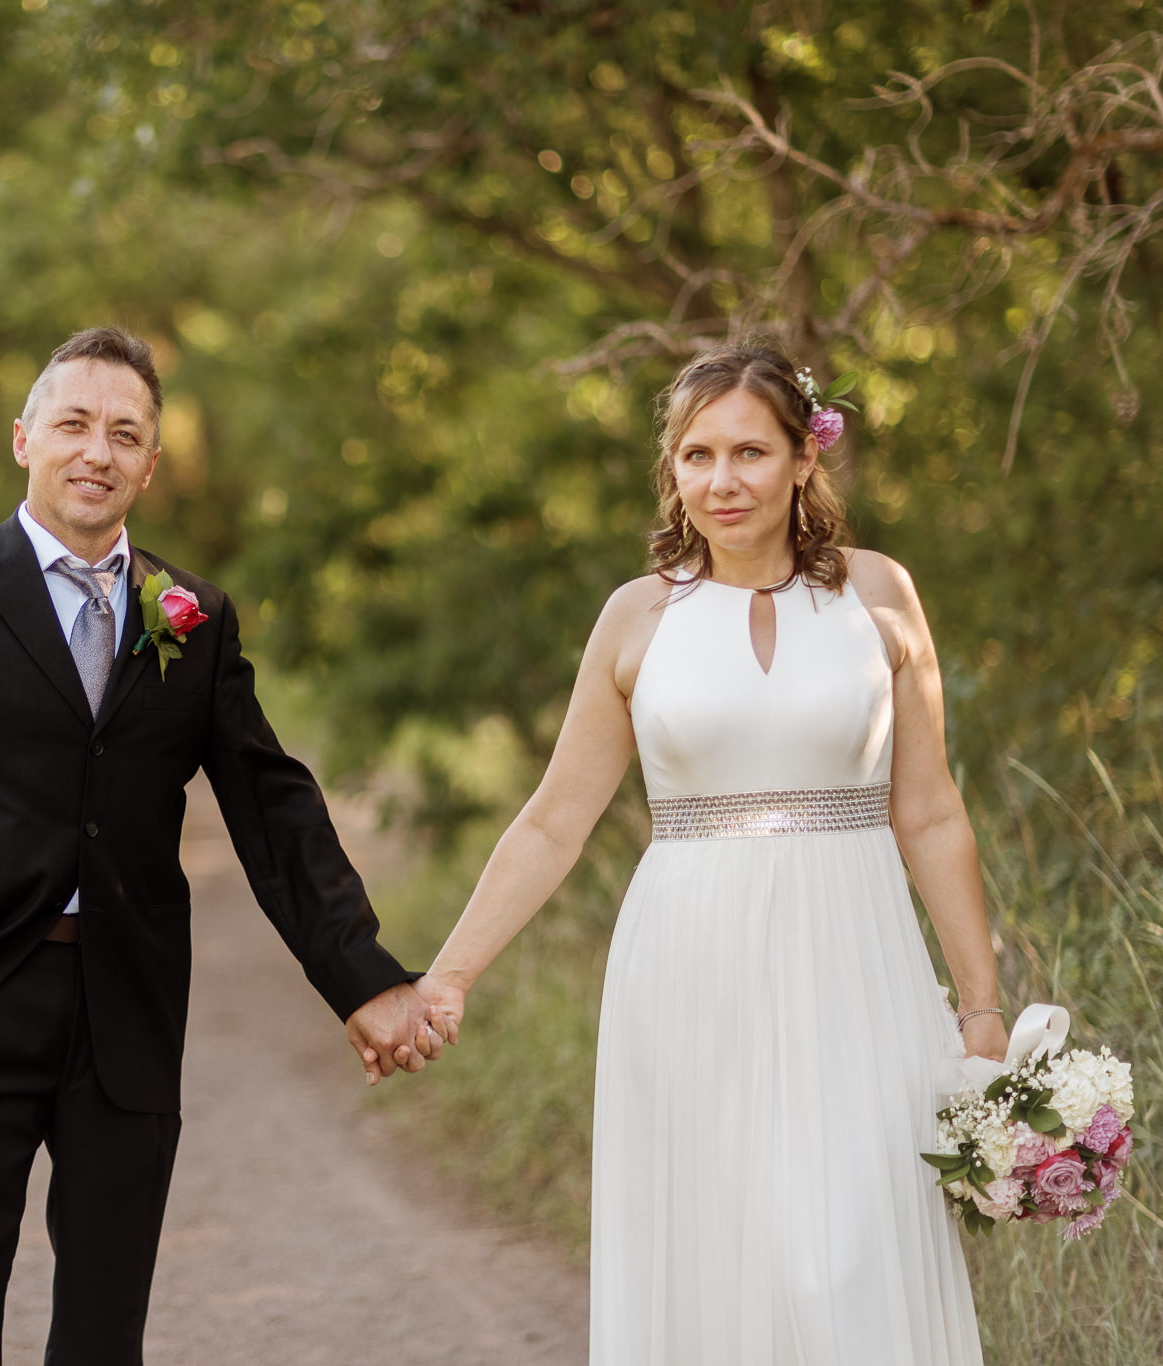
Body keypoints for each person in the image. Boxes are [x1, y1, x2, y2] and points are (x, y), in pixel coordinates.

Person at [0, 326, 441, 1365]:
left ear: (150, 463)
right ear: (23, 438)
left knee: (106, 1322)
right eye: (72, 424)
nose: (95, 452)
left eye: (123, 433)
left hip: (127, 1006)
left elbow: (269, 802)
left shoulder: (191, 619)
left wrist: (361, 977)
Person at [412, 343, 1003, 1364]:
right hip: (688, 969)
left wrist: (980, 1006)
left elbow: (930, 813)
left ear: (801, 461)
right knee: (721, 1252)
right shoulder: (636, 616)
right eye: (695, 456)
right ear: (670, 471)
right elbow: (555, 818)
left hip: (854, 962)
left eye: (747, 453)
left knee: (845, 1257)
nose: (720, 481)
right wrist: (449, 975)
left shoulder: (879, 596)